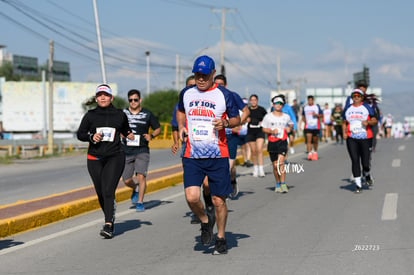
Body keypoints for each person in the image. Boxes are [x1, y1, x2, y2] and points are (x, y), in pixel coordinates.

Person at [176, 55, 240, 255]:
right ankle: (205, 221)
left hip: (217, 154)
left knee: (218, 200)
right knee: (192, 197)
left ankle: (220, 237)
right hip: (192, 154)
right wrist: (180, 127)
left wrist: (226, 123)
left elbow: (237, 118)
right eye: (197, 75)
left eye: (204, 75)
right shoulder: (186, 93)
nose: (201, 79)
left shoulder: (223, 95)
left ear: (213, 73)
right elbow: (180, 111)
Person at [77, 84, 134, 239]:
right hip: (94, 158)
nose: (102, 97)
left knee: (108, 190)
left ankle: (108, 224)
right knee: (101, 192)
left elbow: (125, 129)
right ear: (96, 98)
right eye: (100, 95)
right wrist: (91, 137)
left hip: (115, 156)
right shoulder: (90, 115)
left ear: (111, 98)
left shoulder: (120, 114)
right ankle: (110, 212)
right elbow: (80, 134)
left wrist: (129, 134)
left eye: (106, 95)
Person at [171, 75, 211, 225]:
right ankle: (198, 212)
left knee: (207, 184)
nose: (192, 88)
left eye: (194, 85)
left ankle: (208, 205)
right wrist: (176, 141)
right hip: (188, 148)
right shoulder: (180, 105)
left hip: (208, 148)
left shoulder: (207, 102)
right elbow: (176, 126)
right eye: (189, 86)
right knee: (193, 186)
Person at [121, 89, 161, 212]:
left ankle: (140, 202)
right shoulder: (122, 113)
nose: (133, 102)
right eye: (130, 100)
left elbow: (158, 128)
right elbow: (116, 127)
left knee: (141, 176)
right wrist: (121, 134)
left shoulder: (147, 114)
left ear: (140, 100)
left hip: (142, 150)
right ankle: (136, 188)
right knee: (126, 179)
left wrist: (151, 136)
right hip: (126, 150)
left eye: (135, 100)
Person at [214, 74, 250, 199]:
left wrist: (238, 124)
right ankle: (221, 192)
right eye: (216, 84)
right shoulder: (210, 96)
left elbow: (246, 111)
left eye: (221, 85)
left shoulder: (232, 95)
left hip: (230, 137)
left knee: (229, 167)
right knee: (218, 167)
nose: (219, 87)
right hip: (216, 137)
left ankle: (232, 181)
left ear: (226, 85)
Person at [342, 88, 377, 193]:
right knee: (355, 160)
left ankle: (366, 174)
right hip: (351, 138)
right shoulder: (348, 108)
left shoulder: (367, 107)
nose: (356, 98)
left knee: (365, 163)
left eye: (358, 96)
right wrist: (344, 132)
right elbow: (344, 122)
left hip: (366, 138)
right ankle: (358, 185)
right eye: (354, 96)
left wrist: (369, 123)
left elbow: (374, 120)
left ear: (361, 98)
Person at [262, 96, 293, 193]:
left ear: (282, 105)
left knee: (281, 163)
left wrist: (289, 129)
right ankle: (278, 183)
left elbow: (291, 124)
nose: (278, 105)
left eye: (280, 103)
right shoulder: (268, 117)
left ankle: (283, 184)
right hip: (272, 142)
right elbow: (263, 128)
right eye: (276, 103)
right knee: (275, 166)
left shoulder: (286, 116)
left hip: (282, 142)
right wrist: (271, 131)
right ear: (273, 105)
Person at [246, 94, 267, 177]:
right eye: (252, 100)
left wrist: (263, 123)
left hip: (260, 131)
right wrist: (246, 120)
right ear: (250, 101)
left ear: (257, 101)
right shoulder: (247, 110)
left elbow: (267, 118)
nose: (253, 102)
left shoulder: (262, 109)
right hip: (251, 132)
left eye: (255, 100)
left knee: (259, 149)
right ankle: (255, 168)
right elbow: (242, 119)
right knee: (253, 151)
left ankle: (261, 169)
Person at [301, 95, 322, 160]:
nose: (310, 101)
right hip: (308, 126)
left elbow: (321, 115)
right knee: (308, 140)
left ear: (313, 100)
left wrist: (316, 115)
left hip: (315, 126)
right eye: (309, 100)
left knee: (315, 140)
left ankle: (315, 152)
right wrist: (304, 121)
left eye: (311, 100)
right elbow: (303, 116)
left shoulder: (317, 107)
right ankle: (310, 153)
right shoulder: (305, 107)